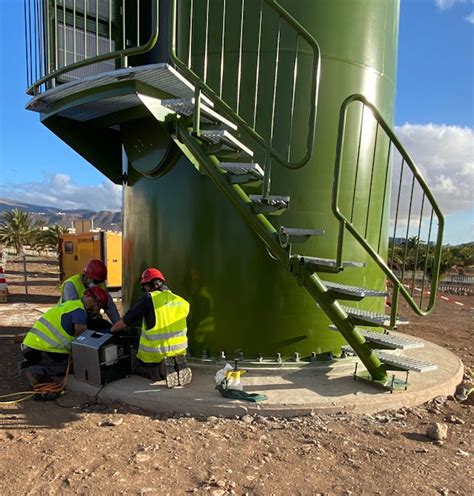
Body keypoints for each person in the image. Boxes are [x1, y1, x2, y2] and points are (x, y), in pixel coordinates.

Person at [111, 267, 192, 388]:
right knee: (172, 355)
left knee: (135, 364)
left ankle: (161, 370)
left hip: (156, 355)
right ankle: (176, 365)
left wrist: (111, 330)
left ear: (147, 285)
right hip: (179, 350)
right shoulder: (182, 302)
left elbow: (128, 319)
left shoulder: (149, 298)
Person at [20, 286, 109, 392]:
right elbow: (83, 341)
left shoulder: (72, 305)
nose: (97, 311)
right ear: (92, 300)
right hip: (39, 350)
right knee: (73, 367)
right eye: (99, 307)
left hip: (30, 348)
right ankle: (35, 371)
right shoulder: (79, 312)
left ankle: (29, 364)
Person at [61, 259, 120, 328]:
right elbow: (73, 312)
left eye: (100, 281)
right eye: (96, 281)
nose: (98, 284)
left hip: (90, 318)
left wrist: (118, 325)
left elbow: (110, 306)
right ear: (87, 276)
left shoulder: (100, 284)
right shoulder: (71, 285)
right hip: (69, 321)